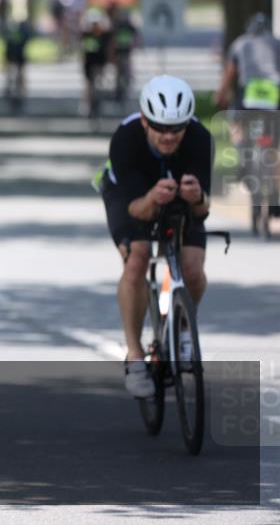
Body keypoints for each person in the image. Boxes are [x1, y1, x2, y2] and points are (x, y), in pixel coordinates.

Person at [98, 76, 212, 398]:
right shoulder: (126, 138)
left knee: (192, 268)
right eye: (160, 128)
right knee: (138, 257)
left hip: (175, 194)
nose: (168, 136)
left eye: (176, 129)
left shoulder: (200, 139)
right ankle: (135, 357)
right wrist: (153, 199)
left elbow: (203, 210)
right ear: (146, 121)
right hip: (130, 196)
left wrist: (196, 197)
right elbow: (136, 209)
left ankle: (183, 330)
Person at [215, 12, 280, 234]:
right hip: (273, 100)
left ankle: (243, 154)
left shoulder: (240, 44)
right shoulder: (277, 44)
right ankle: (276, 194)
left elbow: (229, 75)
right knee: (274, 149)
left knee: (236, 122)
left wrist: (220, 97)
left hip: (247, 100)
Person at [80, 8, 111, 119]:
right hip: (89, 63)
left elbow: (109, 48)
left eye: (96, 23)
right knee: (89, 84)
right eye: (93, 24)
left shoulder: (104, 35)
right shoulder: (86, 34)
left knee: (99, 82)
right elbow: (83, 50)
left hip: (100, 62)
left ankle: (99, 100)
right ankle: (87, 104)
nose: (94, 26)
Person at [109, 5, 139, 102]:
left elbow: (136, 37)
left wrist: (136, 46)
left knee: (127, 70)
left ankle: (126, 87)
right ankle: (118, 92)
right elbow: (112, 40)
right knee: (118, 73)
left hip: (127, 52)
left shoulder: (130, 26)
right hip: (118, 52)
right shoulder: (116, 25)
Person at [3, 20, 33, 113]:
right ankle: (15, 90)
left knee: (17, 74)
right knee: (16, 74)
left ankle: (16, 90)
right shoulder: (22, 32)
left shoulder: (13, 33)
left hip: (15, 55)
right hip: (15, 55)